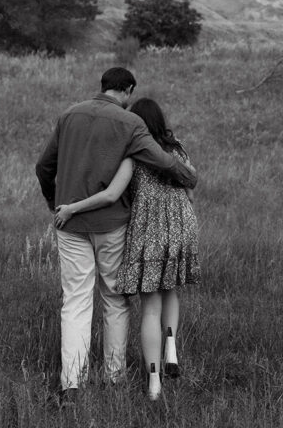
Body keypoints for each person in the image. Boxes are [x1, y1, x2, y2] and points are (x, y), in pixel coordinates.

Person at [35, 68, 197, 404]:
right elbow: (163, 161)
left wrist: (56, 203)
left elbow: (43, 167)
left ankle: (72, 384)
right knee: (114, 299)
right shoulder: (129, 123)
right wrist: (188, 177)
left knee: (75, 302)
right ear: (128, 90)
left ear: (103, 86)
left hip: (70, 224)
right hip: (111, 225)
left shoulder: (69, 115)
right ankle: (114, 377)